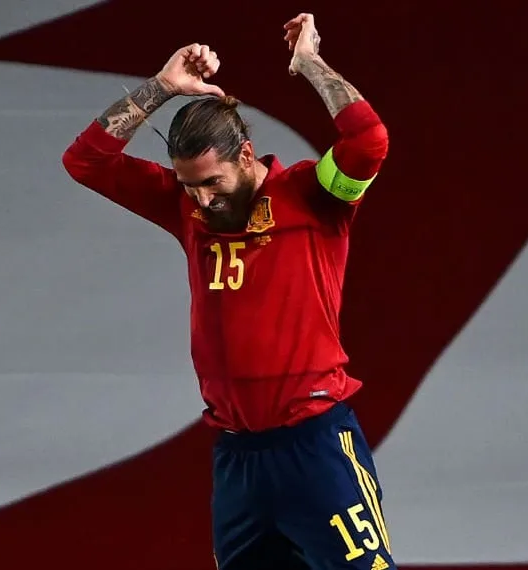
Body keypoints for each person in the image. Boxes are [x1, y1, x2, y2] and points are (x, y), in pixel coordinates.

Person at [62, 12, 393, 570]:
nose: (201, 201)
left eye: (212, 183)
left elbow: (368, 139)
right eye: (189, 187)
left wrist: (310, 65)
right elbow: (85, 161)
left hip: (315, 446)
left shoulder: (316, 197)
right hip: (239, 458)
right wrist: (162, 87)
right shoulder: (185, 207)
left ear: (244, 157)